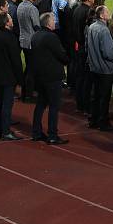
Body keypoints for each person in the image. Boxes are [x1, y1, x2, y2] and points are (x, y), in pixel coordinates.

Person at [31, 12, 69, 145]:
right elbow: (62, 55)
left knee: (41, 103)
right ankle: (52, 135)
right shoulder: (51, 37)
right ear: (48, 23)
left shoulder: (35, 35)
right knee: (54, 106)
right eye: (53, 21)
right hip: (52, 77)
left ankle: (36, 132)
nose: (55, 23)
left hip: (40, 76)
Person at [0, 11, 23, 141]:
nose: (12, 21)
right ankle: (5, 131)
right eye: (10, 19)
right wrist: (20, 79)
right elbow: (15, 60)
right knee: (6, 104)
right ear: (6, 23)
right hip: (7, 77)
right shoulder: (10, 38)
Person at [86, 5, 113, 131]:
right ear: (101, 15)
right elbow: (108, 52)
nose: (109, 13)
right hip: (105, 69)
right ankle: (103, 122)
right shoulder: (104, 30)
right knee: (104, 97)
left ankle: (93, 119)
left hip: (94, 67)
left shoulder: (92, 27)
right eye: (107, 11)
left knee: (96, 95)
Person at [72, 0, 94, 114]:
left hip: (78, 46)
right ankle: (86, 106)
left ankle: (79, 104)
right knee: (86, 79)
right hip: (84, 49)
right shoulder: (87, 12)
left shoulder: (77, 9)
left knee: (80, 77)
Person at [17, 0, 40, 102]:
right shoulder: (32, 9)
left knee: (28, 68)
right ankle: (28, 95)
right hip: (31, 42)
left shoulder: (20, 5)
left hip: (23, 40)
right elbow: (36, 26)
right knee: (31, 70)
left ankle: (25, 92)